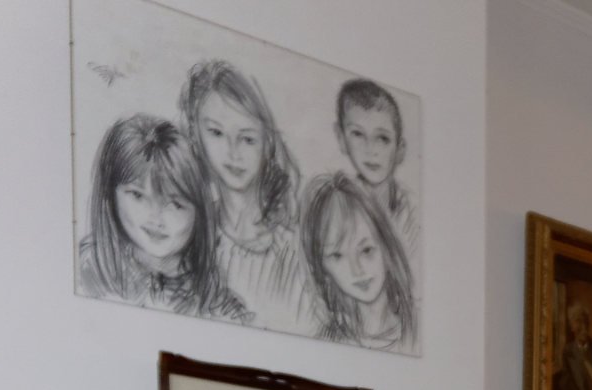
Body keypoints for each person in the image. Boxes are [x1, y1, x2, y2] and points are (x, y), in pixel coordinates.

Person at [178, 60, 314, 331]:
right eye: (217, 133)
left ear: (267, 144)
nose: (233, 152)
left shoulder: (295, 253)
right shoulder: (185, 238)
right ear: (195, 136)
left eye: (247, 138)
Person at [78, 114, 247, 322]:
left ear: (200, 213)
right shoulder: (84, 269)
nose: (156, 218)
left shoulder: (221, 307)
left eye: (175, 204)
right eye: (138, 195)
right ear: (110, 195)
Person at [301, 172, 418, 354]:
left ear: (387, 246)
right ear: (322, 268)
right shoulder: (322, 345)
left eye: (366, 250)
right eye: (337, 256)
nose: (357, 270)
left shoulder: (421, 327)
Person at [334, 78, 417, 253]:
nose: (370, 150)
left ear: (400, 150)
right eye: (358, 134)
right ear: (341, 139)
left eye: (382, 139)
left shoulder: (411, 211)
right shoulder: (337, 206)